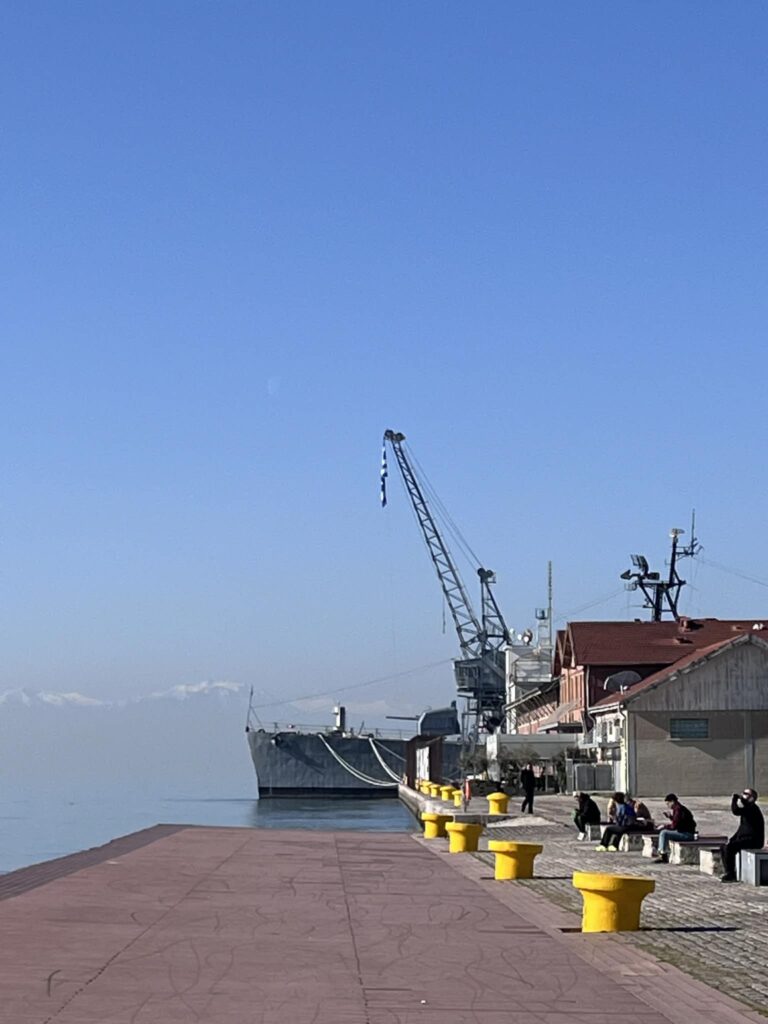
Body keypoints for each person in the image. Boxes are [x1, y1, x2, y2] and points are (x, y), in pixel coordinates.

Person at [721, 788, 765, 883]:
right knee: (724, 847)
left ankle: (731, 874)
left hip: (754, 841)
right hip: (746, 838)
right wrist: (733, 838)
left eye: (745, 793)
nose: (742, 795)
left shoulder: (752, 809)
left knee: (730, 848)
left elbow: (735, 811)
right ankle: (728, 871)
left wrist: (734, 800)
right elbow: (742, 828)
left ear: (752, 798)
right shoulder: (748, 809)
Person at [652, 793, 697, 864]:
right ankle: (663, 852)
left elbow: (674, 826)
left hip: (687, 834)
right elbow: (678, 822)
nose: (668, 806)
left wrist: (664, 826)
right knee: (665, 833)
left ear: (672, 802)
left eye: (668, 804)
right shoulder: (680, 808)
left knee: (664, 833)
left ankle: (662, 855)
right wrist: (670, 817)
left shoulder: (678, 810)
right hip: (687, 832)